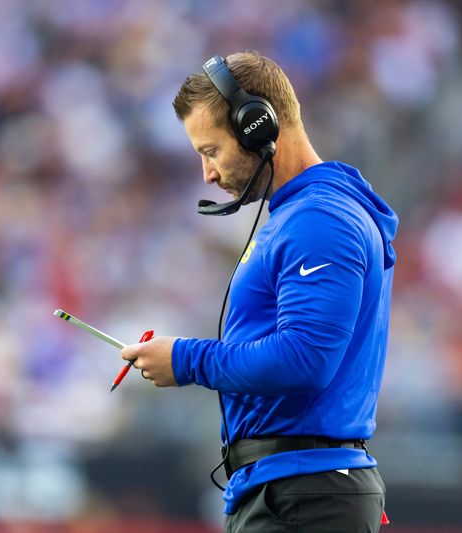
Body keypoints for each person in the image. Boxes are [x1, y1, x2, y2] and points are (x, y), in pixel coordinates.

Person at [121, 50, 398, 532]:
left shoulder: (319, 220)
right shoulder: (301, 215)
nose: (207, 174)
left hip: (303, 495)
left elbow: (306, 358)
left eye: (211, 151)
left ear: (258, 127)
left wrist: (186, 360)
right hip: (292, 490)